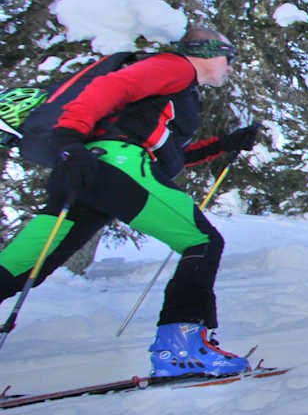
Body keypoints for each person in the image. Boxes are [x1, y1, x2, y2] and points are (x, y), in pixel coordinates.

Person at [0, 26, 259, 376]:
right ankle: (181, 351)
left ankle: (182, 350)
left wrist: (221, 145)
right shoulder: (177, 67)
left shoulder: (174, 94)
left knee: (23, 264)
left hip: (86, 171)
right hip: (114, 163)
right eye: (229, 59)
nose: (229, 67)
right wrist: (68, 139)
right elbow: (110, 87)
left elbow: (166, 155)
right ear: (208, 52)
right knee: (201, 240)